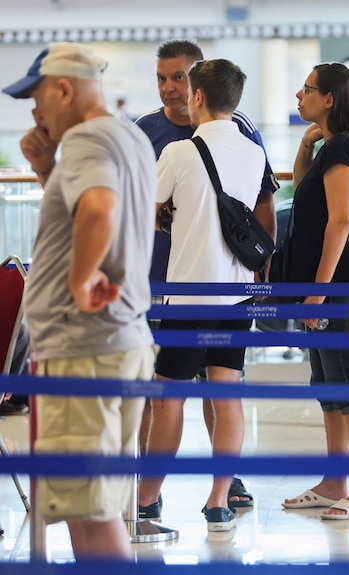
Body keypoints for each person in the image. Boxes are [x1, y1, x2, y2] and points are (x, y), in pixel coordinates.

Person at [2, 42, 156, 559]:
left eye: (37, 97)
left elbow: (99, 210)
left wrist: (80, 280)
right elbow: (83, 215)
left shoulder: (89, 136)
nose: (34, 112)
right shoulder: (127, 135)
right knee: (95, 505)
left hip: (81, 350)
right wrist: (47, 171)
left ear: (64, 88)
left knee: (92, 515)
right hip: (116, 342)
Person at [135, 39, 275, 518]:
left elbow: (146, 215)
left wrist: (171, 216)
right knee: (226, 393)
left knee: (167, 399)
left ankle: (147, 496)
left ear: (197, 96)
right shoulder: (254, 152)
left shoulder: (178, 151)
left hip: (189, 297)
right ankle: (219, 500)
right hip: (237, 297)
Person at [280, 63, 349, 519]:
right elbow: (303, 191)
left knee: (348, 385)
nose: (299, 96)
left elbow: (340, 220)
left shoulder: (343, 146)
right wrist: (305, 143)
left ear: (330, 99)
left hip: (336, 288)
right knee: (329, 385)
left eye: (307, 90)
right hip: (323, 287)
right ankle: (336, 480)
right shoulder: (332, 146)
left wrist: (318, 291)